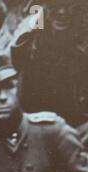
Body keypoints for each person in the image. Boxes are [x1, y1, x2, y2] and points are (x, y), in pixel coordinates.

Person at [11, 0, 88, 145]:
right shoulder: (33, 40)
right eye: (55, 6)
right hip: (39, 131)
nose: (62, 12)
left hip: (80, 132)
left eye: (69, 6)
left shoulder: (84, 41)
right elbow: (15, 57)